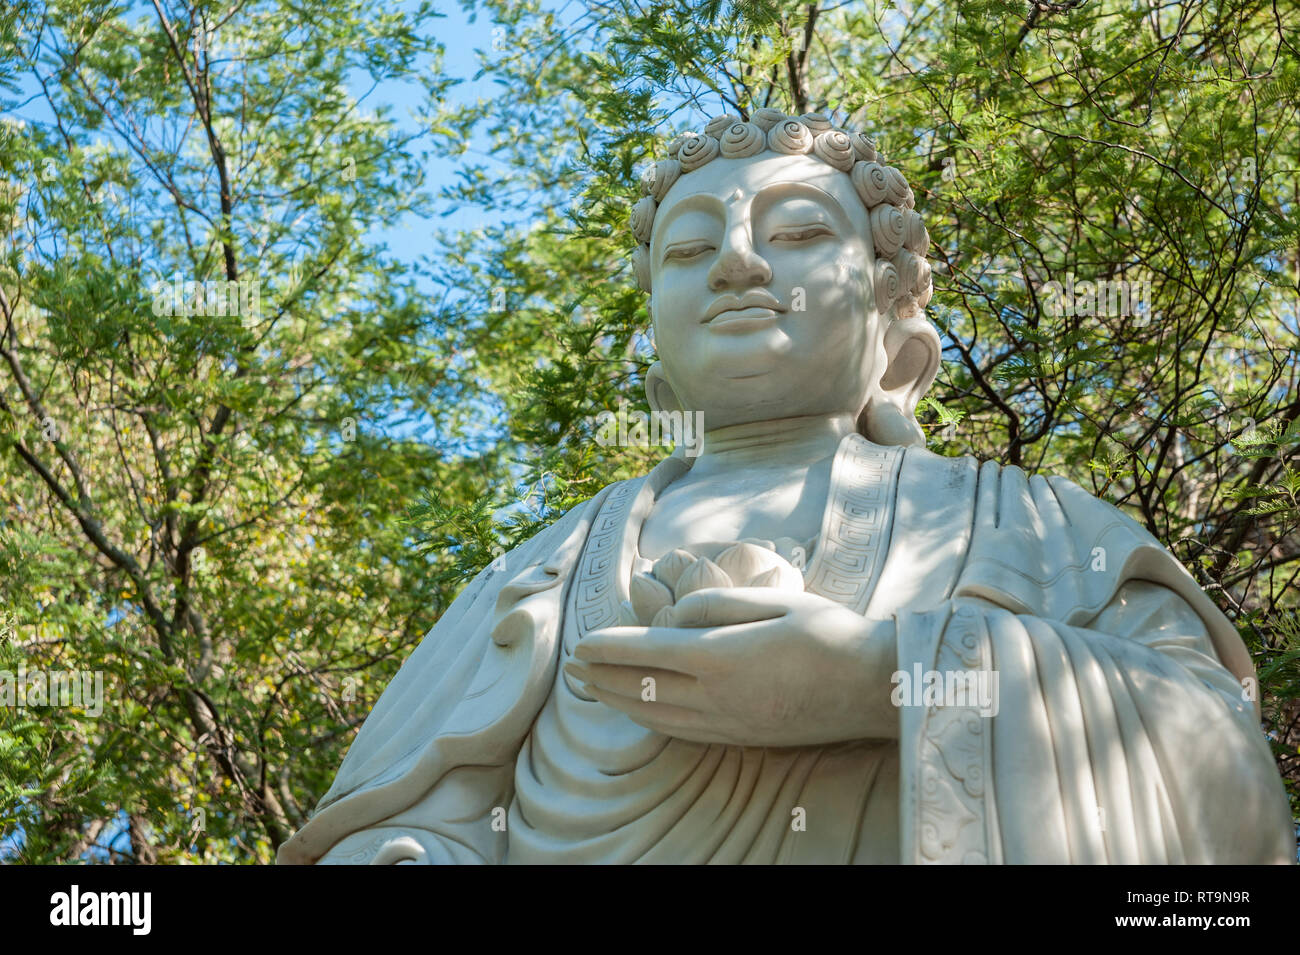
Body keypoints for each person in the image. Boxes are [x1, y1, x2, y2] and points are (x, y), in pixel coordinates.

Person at [278, 110, 1294, 864]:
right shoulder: (543, 569)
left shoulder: (1032, 524)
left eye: (799, 232)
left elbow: (1225, 786)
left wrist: (877, 679)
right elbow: (406, 827)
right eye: (686, 248)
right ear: (656, 367)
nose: (733, 262)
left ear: (900, 333)